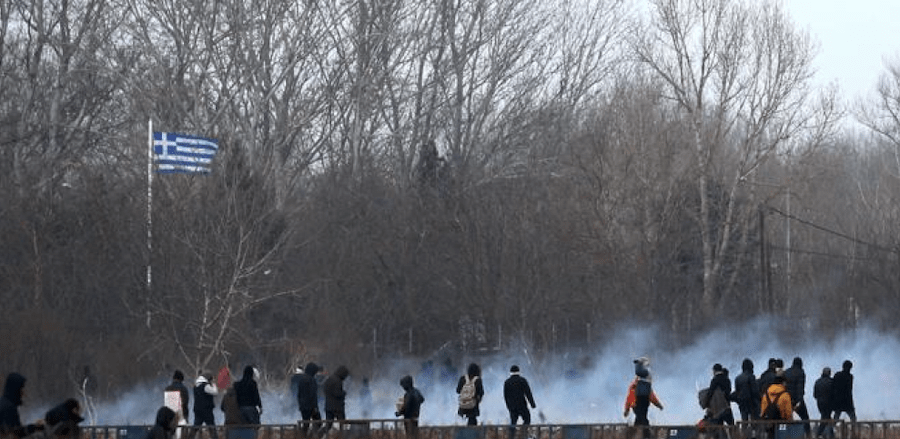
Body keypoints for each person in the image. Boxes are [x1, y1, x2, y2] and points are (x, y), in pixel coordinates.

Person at [624, 357, 663, 439]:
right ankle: (647, 436)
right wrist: (627, 409)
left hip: (639, 404)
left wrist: (658, 404)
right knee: (642, 419)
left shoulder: (638, 385)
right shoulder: (637, 385)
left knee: (639, 420)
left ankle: (634, 435)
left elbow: (651, 396)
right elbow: (650, 396)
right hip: (639, 404)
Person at [0, 373, 45, 438]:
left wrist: (35, 427)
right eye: (21, 388)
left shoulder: (4, 402)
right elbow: (16, 433)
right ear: (15, 389)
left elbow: (17, 431)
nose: (23, 392)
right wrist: (35, 427)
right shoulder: (9, 408)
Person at [503, 365, 536, 439]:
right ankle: (523, 433)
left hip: (512, 407)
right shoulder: (522, 380)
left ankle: (511, 436)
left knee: (513, 422)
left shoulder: (507, 382)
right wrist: (532, 404)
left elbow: (505, 396)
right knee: (527, 419)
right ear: (518, 371)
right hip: (522, 405)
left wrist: (508, 406)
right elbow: (528, 393)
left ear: (510, 372)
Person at [703, 363, 734, 437]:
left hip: (718, 409)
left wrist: (705, 403)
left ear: (714, 371)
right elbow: (729, 391)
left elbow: (710, 393)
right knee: (731, 424)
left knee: (719, 426)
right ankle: (734, 436)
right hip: (727, 407)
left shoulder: (714, 380)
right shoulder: (727, 380)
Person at [760, 369, 793, 438]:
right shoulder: (785, 395)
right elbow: (788, 414)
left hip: (769, 425)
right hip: (781, 426)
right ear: (783, 382)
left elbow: (762, 412)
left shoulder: (766, 394)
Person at [784, 357, 810, 436]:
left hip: (786, 400)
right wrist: (799, 401)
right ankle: (808, 435)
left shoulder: (786, 372)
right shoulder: (801, 372)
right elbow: (800, 388)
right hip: (796, 400)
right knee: (805, 419)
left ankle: (782, 435)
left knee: (784, 419)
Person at [321, 365, 349, 435]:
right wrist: (343, 393)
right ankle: (342, 436)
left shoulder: (329, 379)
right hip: (337, 407)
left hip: (328, 406)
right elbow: (337, 393)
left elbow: (324, 390)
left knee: (328, 424)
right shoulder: (338, 381)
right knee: (342, 424)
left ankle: (320, 434)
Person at [296, 363, 322, 437]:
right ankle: (311, 436)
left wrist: (300, 404)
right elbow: (312, 395)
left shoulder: (302, 380)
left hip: (303, 406)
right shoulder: (311, 380)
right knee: (318, 422)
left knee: (306, 423)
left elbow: (299, 394)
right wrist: (315, 407)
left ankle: (303, 436)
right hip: (311, 406)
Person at [192, 372, 218, 439]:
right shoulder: (206, 386)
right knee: (212, 428)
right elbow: (215, 392)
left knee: (195, 428)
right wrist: (214, 384)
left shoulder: (196, 386)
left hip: (198, 410)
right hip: (207, 410)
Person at [814, 367, 834, 438]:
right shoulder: (832, 382)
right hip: (829, 404)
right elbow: (834, 394)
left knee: (826, 417)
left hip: (820, 404)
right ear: (829, 373)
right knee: (825, 418)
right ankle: (819, 433)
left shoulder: (817, 381)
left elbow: (815, 395)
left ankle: (831, 434)